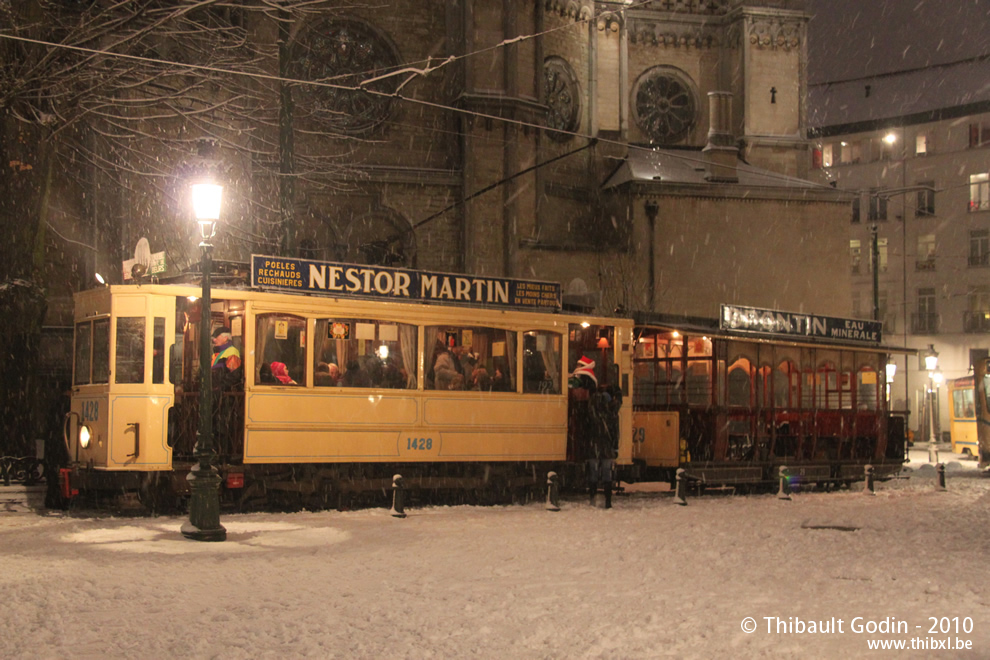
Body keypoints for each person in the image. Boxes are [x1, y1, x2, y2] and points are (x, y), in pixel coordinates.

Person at [568, 356, 619, 509]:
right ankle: (608, 501)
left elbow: (587, 427)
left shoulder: (590, 408)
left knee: (593, 473)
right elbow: (615, 429)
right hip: (606, 446)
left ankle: (592, 499)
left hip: (594, 445)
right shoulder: (611, 410)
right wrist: (615, 446)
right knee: (606, 474)